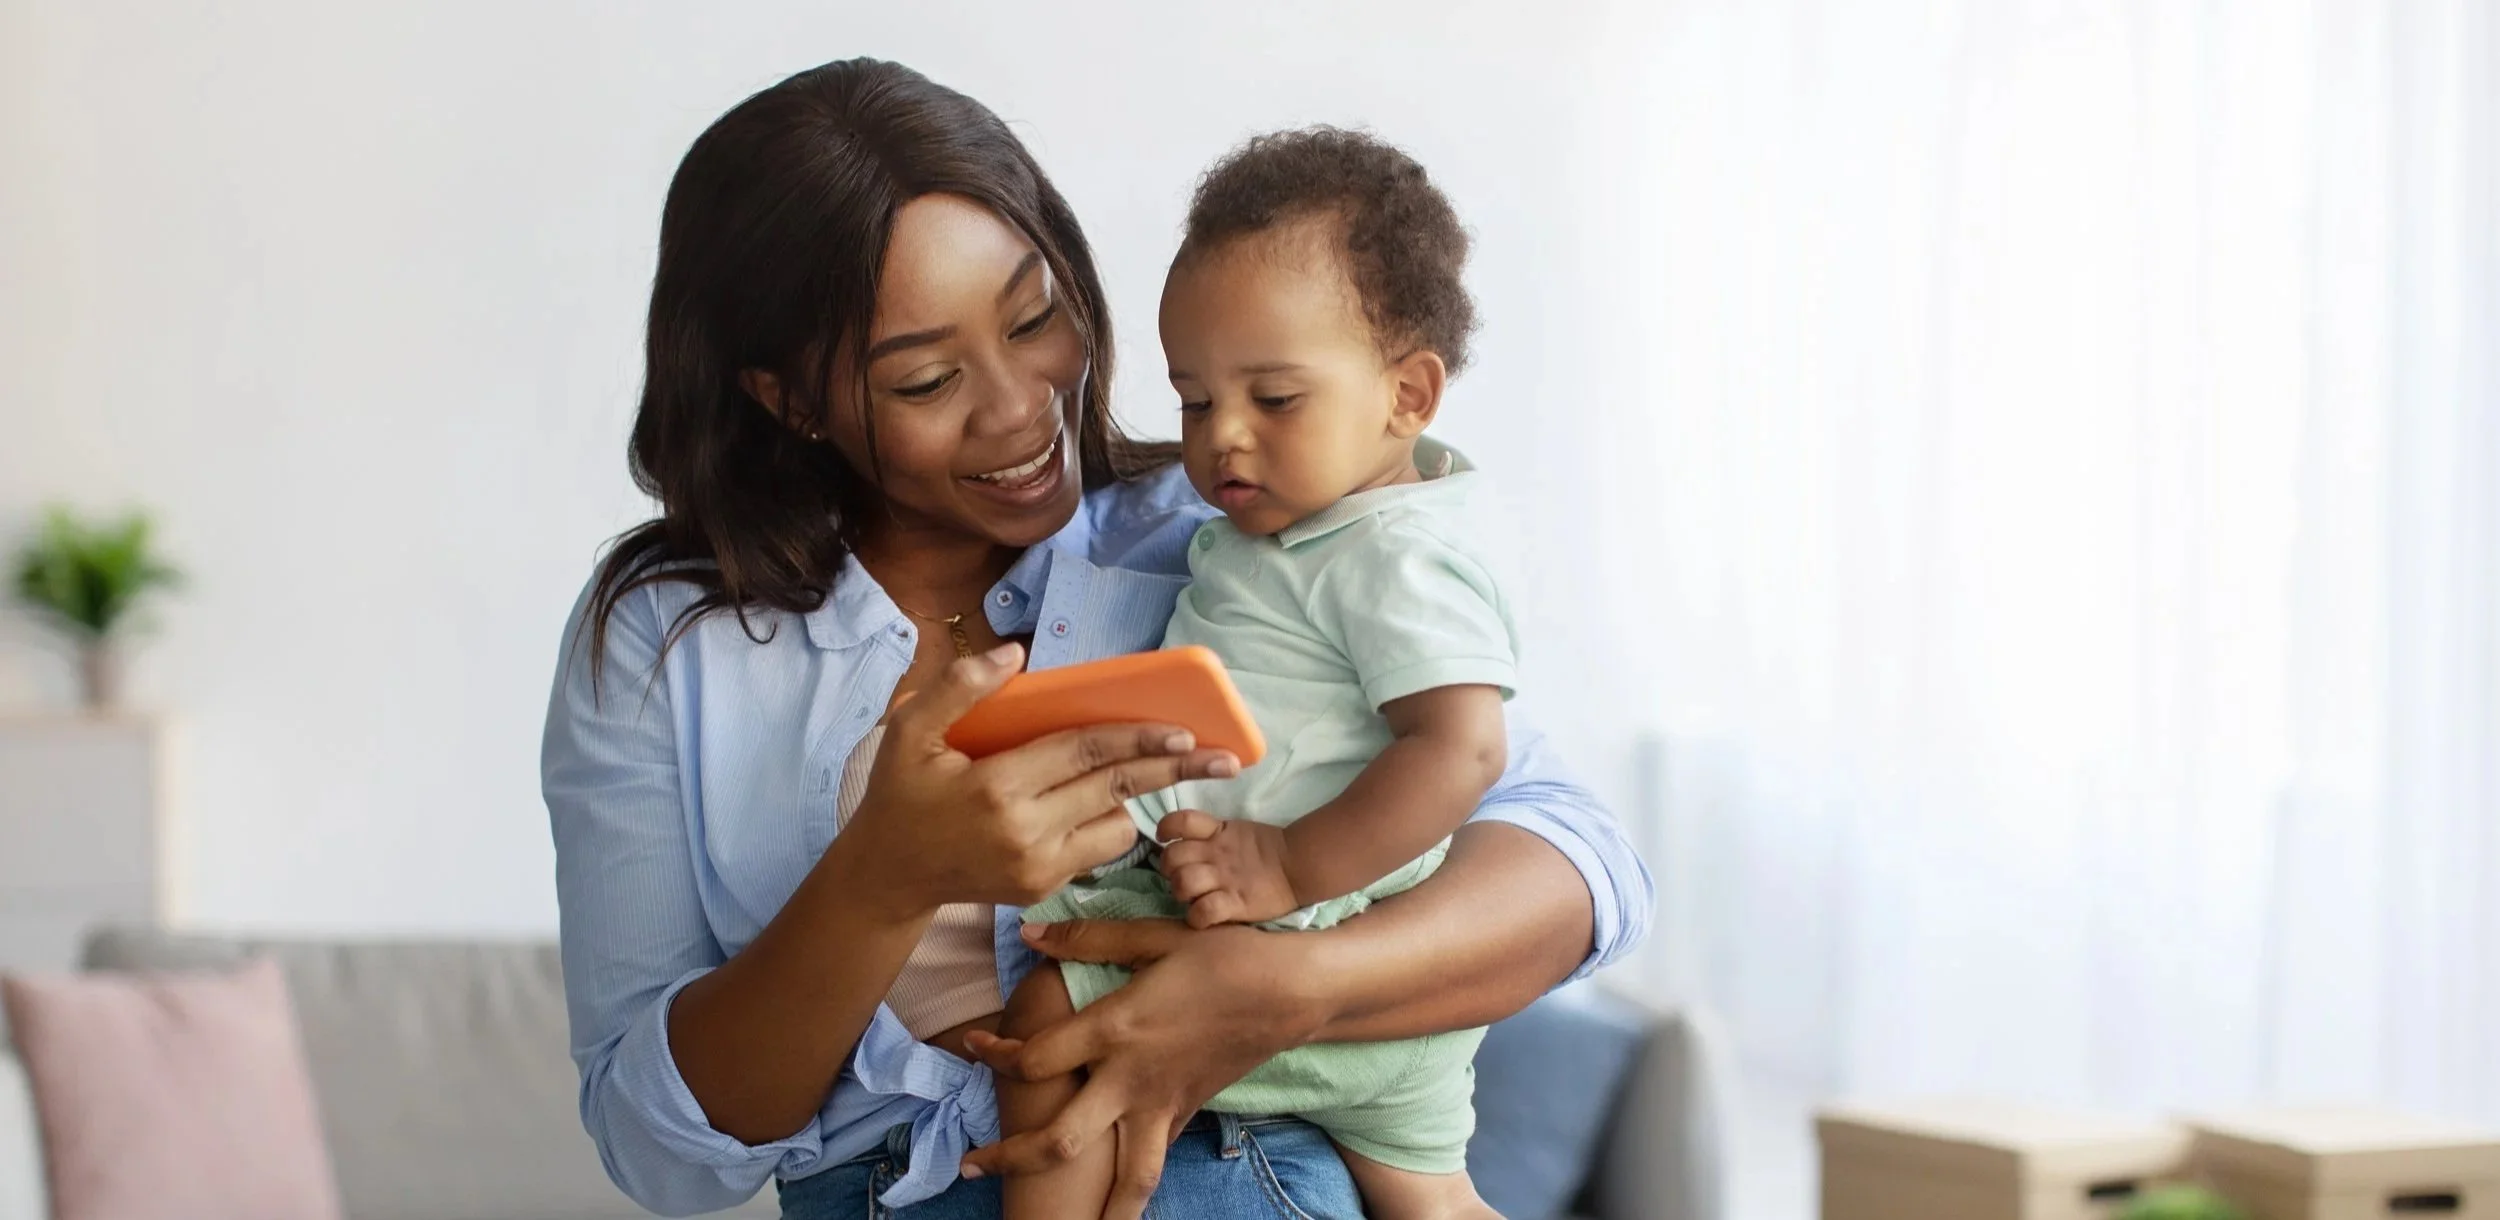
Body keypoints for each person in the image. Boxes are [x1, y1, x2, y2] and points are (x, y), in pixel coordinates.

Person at [540, 57, 1652, 1220]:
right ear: (789, 399)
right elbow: (661, 1151)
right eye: (925, 380)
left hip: (1247, 1167)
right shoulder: (666, 643)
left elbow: (1581, 862)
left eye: (1034, 317)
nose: (1023, 403)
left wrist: (1287, 983)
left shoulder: (1229, 530)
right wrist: (880, 879)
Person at [996, 128, 1513, 1220]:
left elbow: (1464, 747)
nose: (1222, 438)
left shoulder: (1394, 554)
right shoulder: (1306, 528)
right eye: (1193, 401)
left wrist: (1287, 861)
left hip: (1310, 928)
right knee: (1440, 1199)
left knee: (1047, 1025)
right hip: (1358, 972)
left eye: (1273, 399)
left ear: (1408, 394)